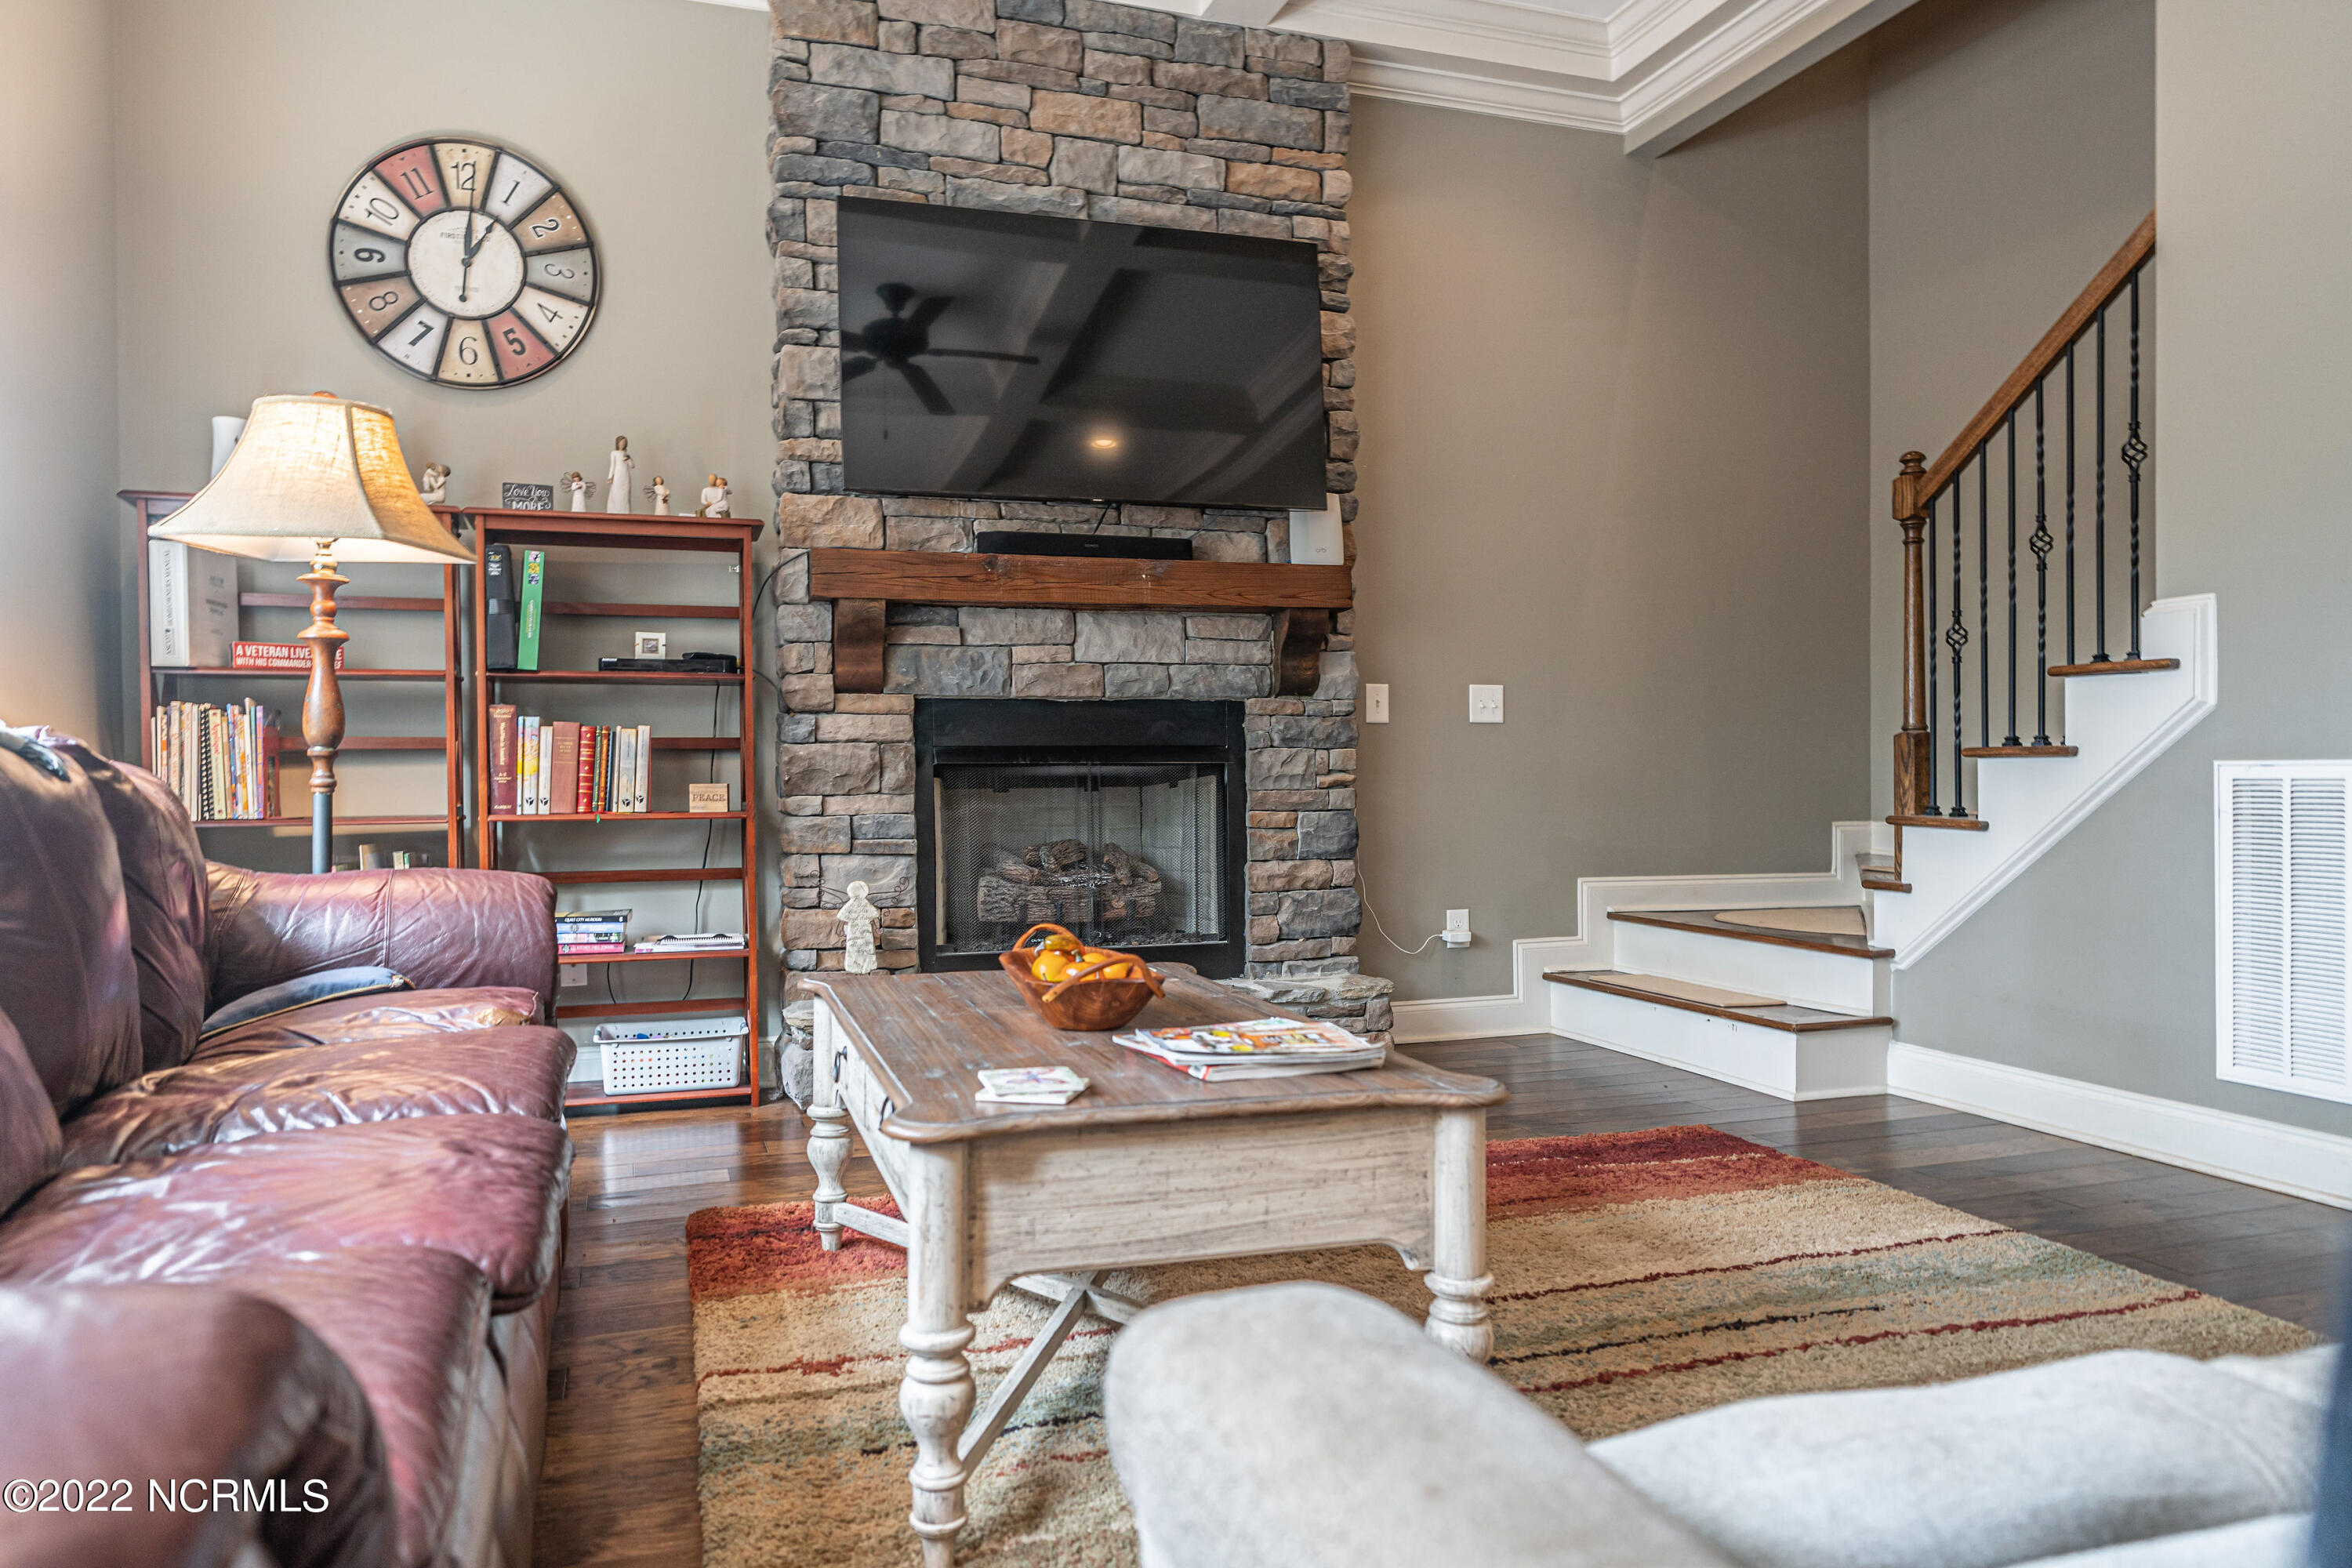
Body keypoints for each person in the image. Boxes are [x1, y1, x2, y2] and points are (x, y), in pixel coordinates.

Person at [606, 437, 634, 515]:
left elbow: (632, 466)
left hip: (625, 476)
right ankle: (614, 511)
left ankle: (625, 511)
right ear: (618, 443)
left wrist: (628, 460)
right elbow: (612, 466)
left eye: (624, 442)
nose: (623, 444)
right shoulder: (614, 453)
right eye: (621, 442)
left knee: (624, 494)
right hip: (617, 476)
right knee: (616, 493)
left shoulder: (626, 454)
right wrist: (610, 477)